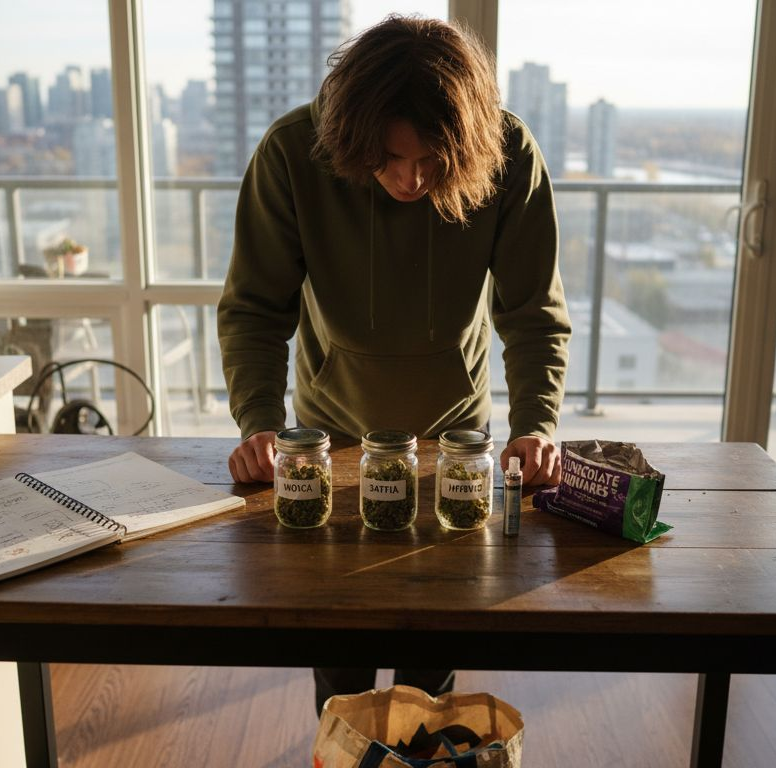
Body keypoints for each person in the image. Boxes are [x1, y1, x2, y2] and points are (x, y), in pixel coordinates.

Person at [216, 15, 571, 714]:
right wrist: (259, 424)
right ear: (353, 140)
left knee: (429, 677)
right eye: (389, 158)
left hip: (455, 454)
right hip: (329, 445)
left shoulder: (510, 154)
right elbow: (255, 309)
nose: (410, 180)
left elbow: (531, 313)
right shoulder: (293, 152)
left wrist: (538, 424)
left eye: (432, 163)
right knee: (338, 670)